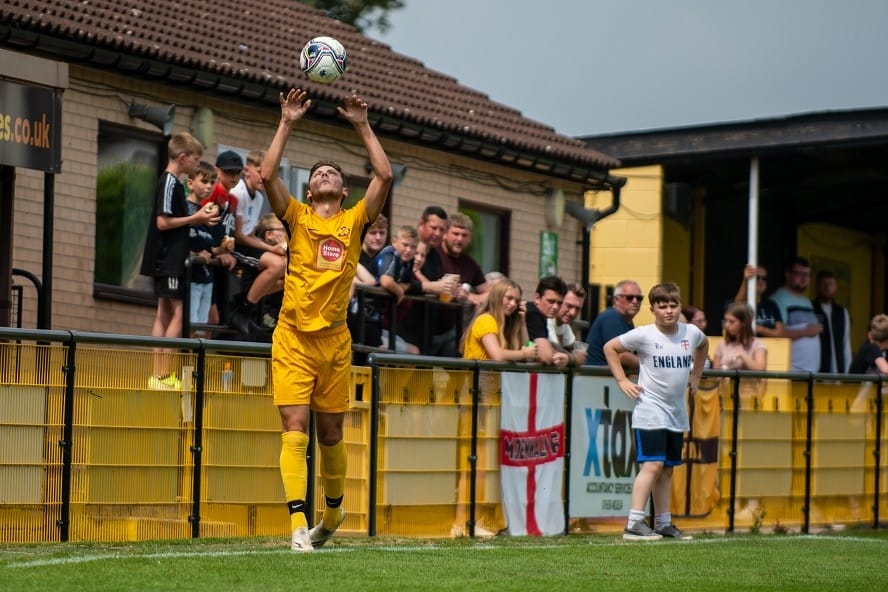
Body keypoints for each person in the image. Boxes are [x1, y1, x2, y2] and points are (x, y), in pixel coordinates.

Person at [261, 88, 393, 552]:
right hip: (293, 338)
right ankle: (298, 524)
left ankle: (333, 512)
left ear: (343, 191)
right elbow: (267, 174)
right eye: (318, 172)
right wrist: (287, 121)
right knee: (294, 428)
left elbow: (384, 174)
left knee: (331, 433)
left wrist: (362, 125)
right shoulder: (296, 217)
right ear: (309, 189)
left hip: (335, 342)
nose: (324, 174)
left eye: (332, 172)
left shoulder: (355, 221)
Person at [603, 282, 708, 541]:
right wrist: (622, 380)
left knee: (668, 469)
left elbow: (703, 345)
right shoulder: (644, 335)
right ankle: (634, 523)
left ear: (680, 307)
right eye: (662, 306)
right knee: (653, 464)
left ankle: (663, 523)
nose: (669, 311)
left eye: (673, 305)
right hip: (650, 409)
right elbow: (610, 348)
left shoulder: (691, 332)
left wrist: (696, 375)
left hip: (676, 412)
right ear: (652, 310)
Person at [140, 132, 218, 389]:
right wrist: (196, 219)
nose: (196, 164)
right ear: (183, 157)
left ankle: (158, 375)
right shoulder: (169, 182)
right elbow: (163, 222)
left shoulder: (174, 184)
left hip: (171, 256)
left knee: (164, 312)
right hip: (168, 257)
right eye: (195, 160)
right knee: (178, 311)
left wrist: (198, 220)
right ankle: (162, 374)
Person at [185, 161, 232, 326]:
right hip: (191, 279)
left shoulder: (206, 213)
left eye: (212, 182)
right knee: (189, 328)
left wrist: (221, 249)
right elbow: (177, 243)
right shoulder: (185, 210)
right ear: (190, 183)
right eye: (204, 181)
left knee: (201, 329)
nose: (209, 186)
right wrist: (196, 255)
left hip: (206, 279)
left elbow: (207, 248)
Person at [461, 278, 537, 362]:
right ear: (497, 297)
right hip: (478, 370)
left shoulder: (507, 323)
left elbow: (528, 349)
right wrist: (524, 353)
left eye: (517, 301)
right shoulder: (485, 319)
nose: (513, 304)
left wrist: (522, 323)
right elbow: (497, 355)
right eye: (509, 298)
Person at [376, 225, 423, 353]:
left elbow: (407, 283)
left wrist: (401, 287)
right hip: (368, 320)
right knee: (411, 352)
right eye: (405, 245)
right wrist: (399, 292)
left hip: (382, 324)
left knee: (415, 351)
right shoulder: (390, 254)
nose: (408, 250)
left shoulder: (408, 262)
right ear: (394, 242)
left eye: (413, 247)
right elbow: (386, 281)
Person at [771, 257, 822, 372]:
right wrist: (804, 332)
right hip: (791, 371)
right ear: (787, 274)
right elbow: (776, 334)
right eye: (799, 274)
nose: (804, 278)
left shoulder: (807, 302)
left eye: (807, 275)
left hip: (811, 372)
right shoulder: (778, 300)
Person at [586, 280, 644, 368]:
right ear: (616, 300)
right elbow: (622, 356)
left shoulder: (626, 321)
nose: (635, 301)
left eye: (639, 298)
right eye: (629, 297)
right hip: (596, 374)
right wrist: (650, 366)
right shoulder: (611, 317)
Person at [524, 275, 570, 368]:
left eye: (559, 303)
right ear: (537, 298)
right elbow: (546, 357)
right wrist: (571, 358)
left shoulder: (540, 315)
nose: (555, 307)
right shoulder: (532, 313)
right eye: (551, 301)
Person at [811, 269, 852, 373]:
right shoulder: (810, 309)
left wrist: (847, 372)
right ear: (817, 286)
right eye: (824, 284)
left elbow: (845, 343)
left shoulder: (842, 312)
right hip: (817, 371)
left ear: (836, 287)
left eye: (831, 284)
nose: (827, 287)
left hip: (839, 371)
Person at [733, 264, 784, 338]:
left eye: (764, 278)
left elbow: (780, 334)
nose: (761, 281)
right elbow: (736, 307)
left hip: (769, 345)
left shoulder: (772, 305)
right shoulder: (744, 305)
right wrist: (745, 280)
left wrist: (759, 329)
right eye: (757, 278)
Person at [548, 282, 587, 365]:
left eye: (577, 309)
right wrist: (573, 358)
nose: (573, 313)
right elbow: (555, 355)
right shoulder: (547, 320)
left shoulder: (565, 326)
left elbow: (581, 353)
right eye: (569, 306)